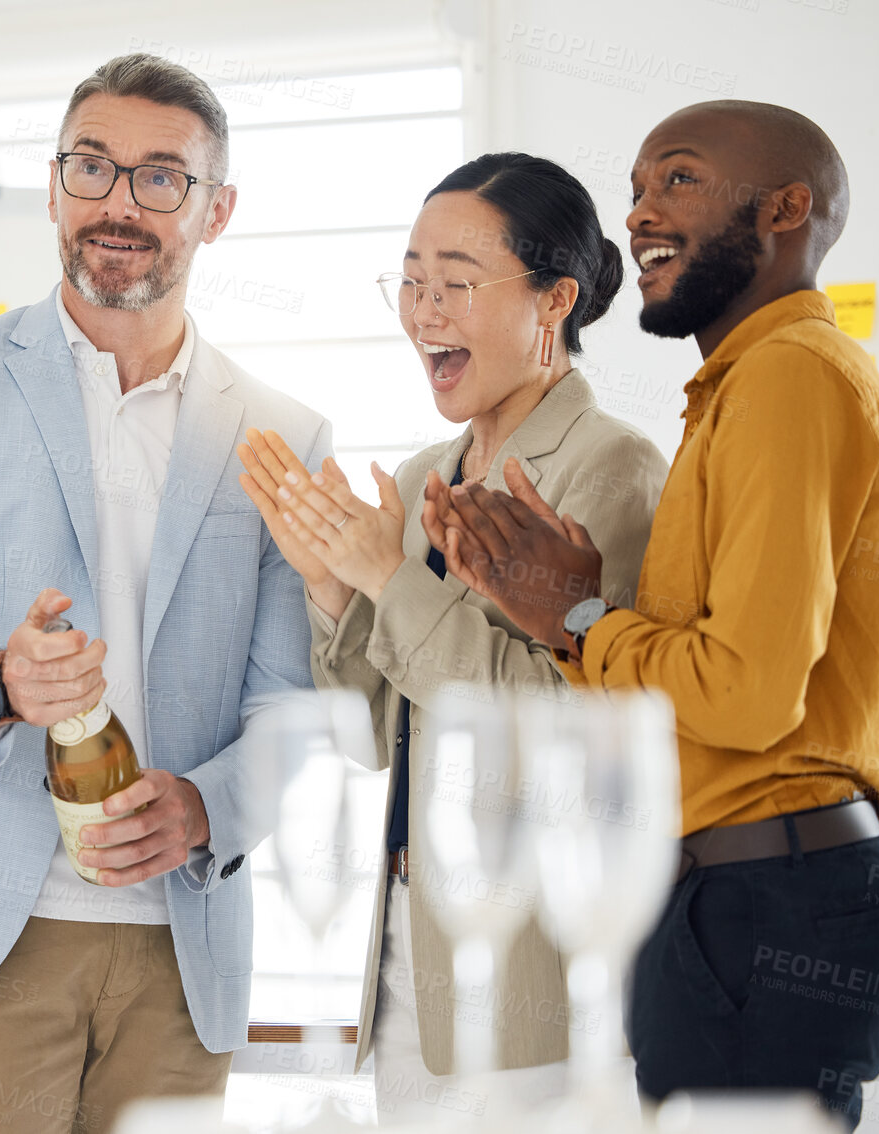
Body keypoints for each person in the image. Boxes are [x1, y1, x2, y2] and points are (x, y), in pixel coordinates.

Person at [0, 53, 332, 1132]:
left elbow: (290, 703)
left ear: (216, 209)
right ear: (52, 186)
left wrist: (205, 809)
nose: (118, 203)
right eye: (91, 168)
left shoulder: (282, 435)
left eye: (160, 177)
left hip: (181, 943)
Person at [427, 101, 879, 1129]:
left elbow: (741, 694)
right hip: (744, 893)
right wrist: (571, 614)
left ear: (785, 209)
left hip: (765, 897)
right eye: (637, 186)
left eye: (679, 179)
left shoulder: (787, 376)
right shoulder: (747, 389)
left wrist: (578, 616)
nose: (640, 212)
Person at [237, 153, 668, 1123]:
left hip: (534, 960)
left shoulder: (610, 467)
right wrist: (332, 591)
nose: (423, 311)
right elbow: (363, 734)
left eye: (455, 285)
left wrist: (385, 578)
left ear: (553, 300)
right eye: (411, 282)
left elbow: (562, 725)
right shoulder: (432, 468)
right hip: (405, 948)